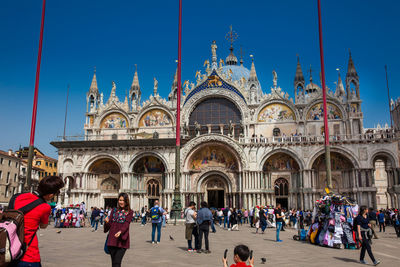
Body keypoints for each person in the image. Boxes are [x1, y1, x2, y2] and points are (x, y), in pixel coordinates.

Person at [11, 175, 64, 267]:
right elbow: (43, 226)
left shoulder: (17, 197)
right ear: (51, 194)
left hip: (9, 251)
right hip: (28, 255)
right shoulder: (45, 207)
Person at [104, 193, 133, 267]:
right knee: (114, 263)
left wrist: (120, 232)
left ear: (127, 201)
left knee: (117, 262)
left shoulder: (130, 212)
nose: (121, 202)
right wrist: (106, 222)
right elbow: (109, 226)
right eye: (120, 200)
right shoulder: (114, 210)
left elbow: (126, 224)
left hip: (122, 240)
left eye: (123, 200)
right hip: (112, 240)